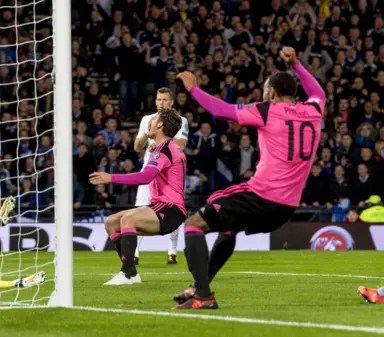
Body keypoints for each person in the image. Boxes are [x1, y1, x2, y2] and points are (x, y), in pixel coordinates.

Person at [173, 46, 325, 309]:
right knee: (229, 228)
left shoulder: (267, 109)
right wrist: (297, 64)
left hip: (261, 195)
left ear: (274, 93)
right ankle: (200, 286)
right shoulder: (313, 111)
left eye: (266, 89)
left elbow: (221, 111)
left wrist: (193, 89)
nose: (264, 93)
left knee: (193, 224)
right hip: (286, 208)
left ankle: (203, 296)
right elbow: (318, 92)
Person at [89, 108, 186, 285]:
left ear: (160, 124)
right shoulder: (168, 148)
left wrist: (111, 178)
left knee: (128, 219)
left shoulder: (162, 151)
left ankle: (126, 274)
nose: (149, 122)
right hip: (160, 206)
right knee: (111, 222)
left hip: (170, 209)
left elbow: (146, 177)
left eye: (153, 119)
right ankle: (131, 271)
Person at [132, 87, 189, 265]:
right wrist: (146, 137)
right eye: (159, 100)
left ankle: (172, 251)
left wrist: (158, 145)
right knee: (140, 208)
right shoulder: (147, 120)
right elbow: (136, 146)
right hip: (149, 170)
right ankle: (134, 253)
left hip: (170, 172)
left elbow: (181, 144)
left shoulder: (180, 121)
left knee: (171, 209)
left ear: (171, 102)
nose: (161, 103)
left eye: (165, 100)